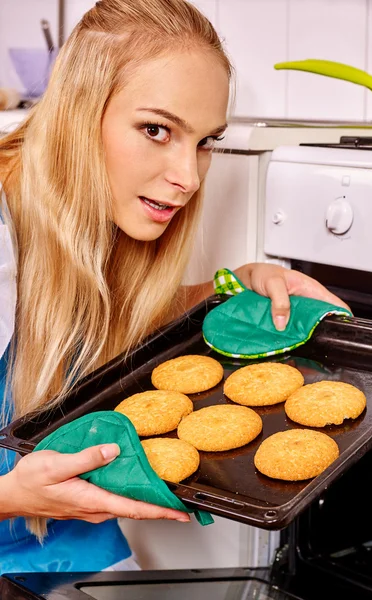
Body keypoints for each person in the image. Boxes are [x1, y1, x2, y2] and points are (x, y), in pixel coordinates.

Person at [0, 0, 349, 573]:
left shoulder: (80, 209)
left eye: (206, 140)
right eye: (156, 130)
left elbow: (100, 318)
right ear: (78, 113)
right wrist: (11, 495)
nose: (188, 177)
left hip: (64, 546)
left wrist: (228, 291)